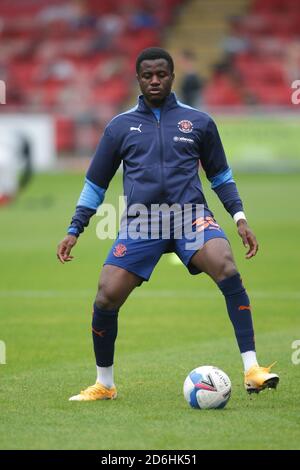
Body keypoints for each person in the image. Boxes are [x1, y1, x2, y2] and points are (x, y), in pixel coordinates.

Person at [57, 47, 279, 401]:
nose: (155, 80)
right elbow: (95, 185)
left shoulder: (200, 122)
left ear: (172, 76)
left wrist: (239, 218)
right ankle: (105, 383)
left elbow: (220, 176)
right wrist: (74, 229)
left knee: (225, 264)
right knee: (106, 294)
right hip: (142, 223)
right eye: (148, 75)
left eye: (161, 74)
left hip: (190, 216)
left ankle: (252, 369)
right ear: (138, 79)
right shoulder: (120, 127)